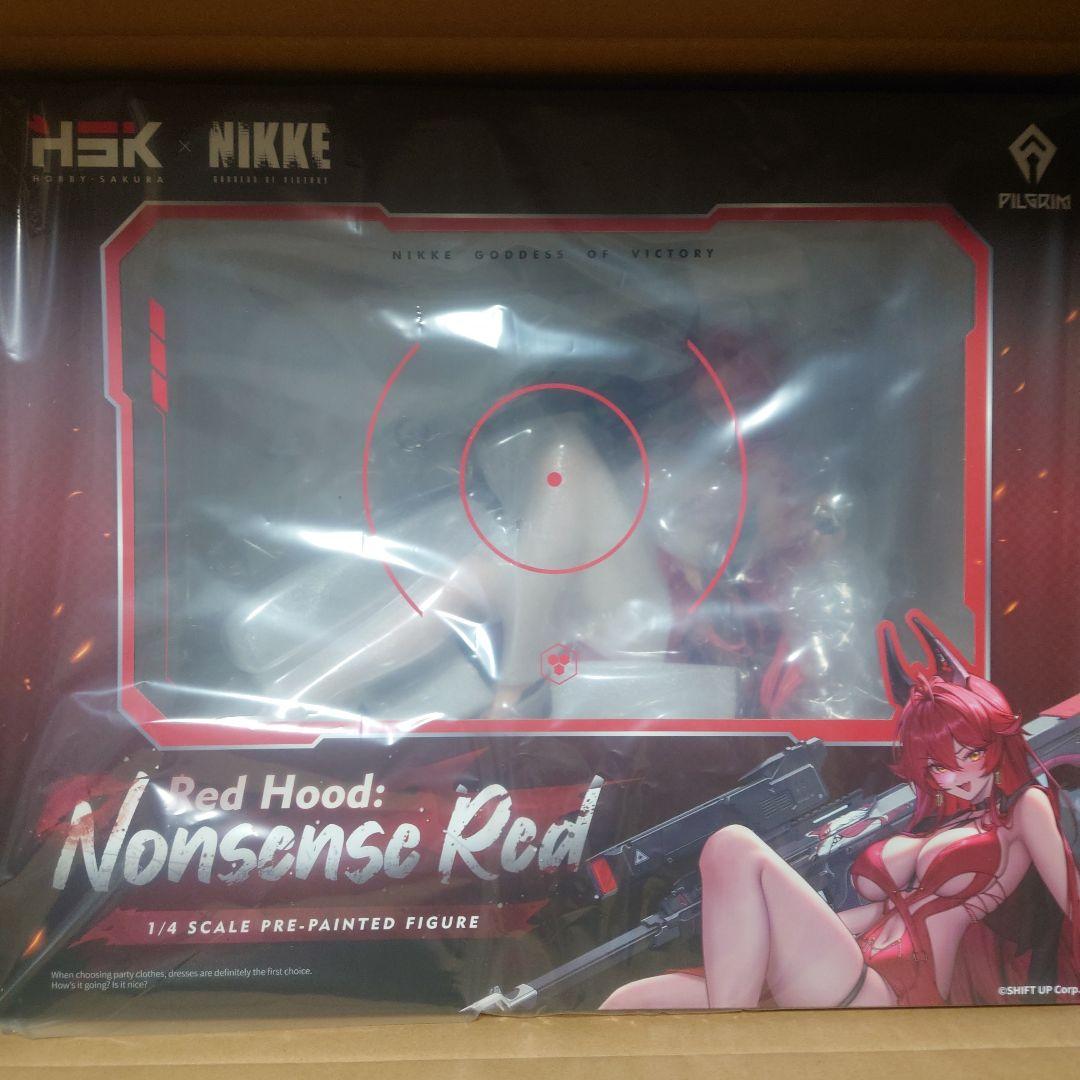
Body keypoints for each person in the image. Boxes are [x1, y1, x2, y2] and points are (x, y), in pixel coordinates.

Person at [599, 611, 1080, 1009]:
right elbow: (882, 912)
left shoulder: (1026, 809)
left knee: (732, 845)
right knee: (627, 1000)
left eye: (969, 754)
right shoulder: (946, 824)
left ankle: (733, 1045)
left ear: (996, 739)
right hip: (848, 961)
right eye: (936, 765)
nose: (953, 776)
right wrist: (765, 941)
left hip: (893, 989)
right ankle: (733, 1024)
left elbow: (1073, 903)